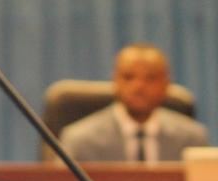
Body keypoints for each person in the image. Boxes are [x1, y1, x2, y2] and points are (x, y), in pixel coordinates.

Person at [59, 43, 208, 161]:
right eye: (128, 77)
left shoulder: (192, 140)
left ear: (166, 84)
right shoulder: (81, 141)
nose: (139, 87)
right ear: (115, 81)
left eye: (150, 78)